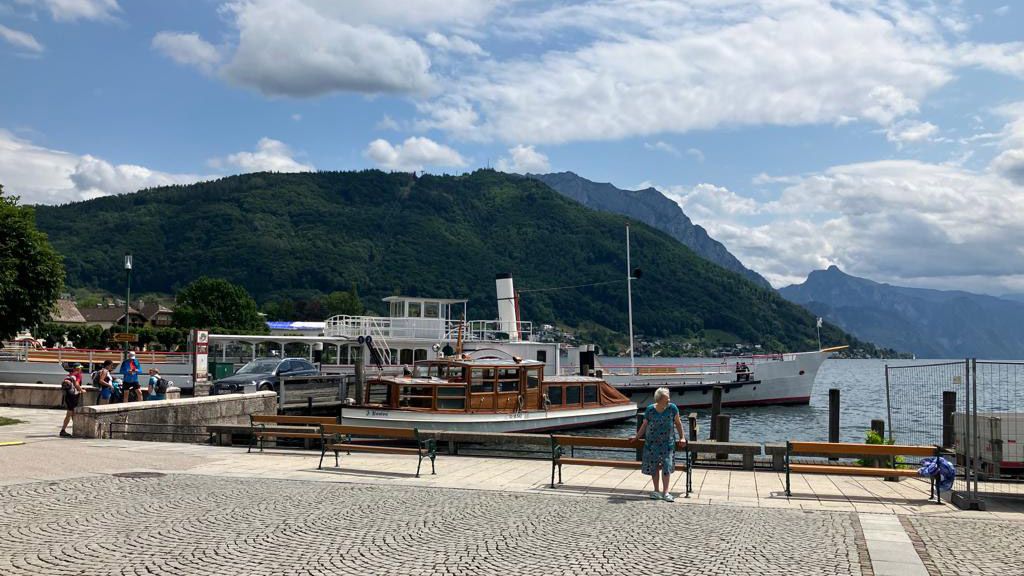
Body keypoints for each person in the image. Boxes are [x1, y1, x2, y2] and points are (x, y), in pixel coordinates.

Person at [633, 387, 685, 502]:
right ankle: (656, 491)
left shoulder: (672, 408)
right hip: (652, 444)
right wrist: (636, 436)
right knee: (654, 466)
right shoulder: (650, 409)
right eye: (667, 397)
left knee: (667, 466)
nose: (669, 399)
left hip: (668, 444)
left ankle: (666, 492)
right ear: (660, 399)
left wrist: (682, 437)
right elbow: (644, 425)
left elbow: (678, 423)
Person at [59, 366, 84, 437]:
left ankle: (76, 429)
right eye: (80, 368)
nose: (81, 370)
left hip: (68, 396)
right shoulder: (78, 375)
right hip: (73, 396)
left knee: (72, 413)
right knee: (69, 413)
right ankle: (63, 430)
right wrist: (82, 390)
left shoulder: (70, 375)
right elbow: (76, 384)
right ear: (78, 369)